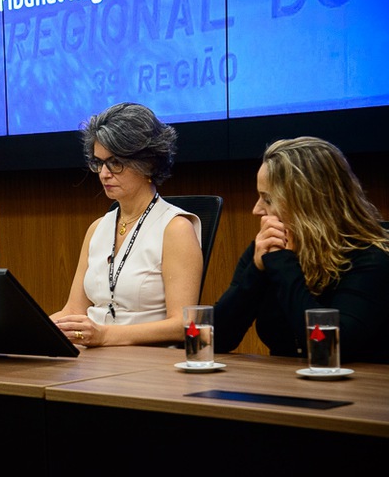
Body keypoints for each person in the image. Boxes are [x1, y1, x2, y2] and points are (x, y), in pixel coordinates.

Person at [214, 136, 389, 363]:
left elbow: (328, 346)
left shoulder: (372, 258)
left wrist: (282, 263)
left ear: (307, 202)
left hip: (355, 390)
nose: (256, 210)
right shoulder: (269, 248)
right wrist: (256, 272)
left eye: (267, 199)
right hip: (284, 386)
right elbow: (216, 339)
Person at [51, 102, 203, 347]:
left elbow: (183, 324)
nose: (104, 173)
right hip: (92, 359)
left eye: (115, 163)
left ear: (149, 163)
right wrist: (25, 334)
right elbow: (73, 311)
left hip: (145, 365)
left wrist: (106, 336)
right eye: (99, 162)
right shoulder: (97, 229)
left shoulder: (175, 229)